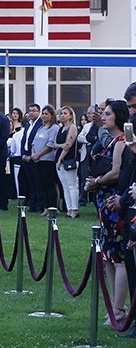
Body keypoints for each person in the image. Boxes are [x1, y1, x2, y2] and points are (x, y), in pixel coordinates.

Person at [84, 100, 129, 323]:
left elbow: (116, 171)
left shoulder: (121, 142)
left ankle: (119, 309)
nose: (103, 116)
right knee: (109, 258)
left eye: (108, 114)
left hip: (114, 206)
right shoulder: (112, 141)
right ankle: (114, 307)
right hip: (105, 206)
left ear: (118, 117)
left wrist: (97, 181)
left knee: (118, 258)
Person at [30, 105, 61, 216]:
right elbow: (33, 142)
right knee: (41, 184)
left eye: (46, 113)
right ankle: (46, 207)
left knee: (49, 185)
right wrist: (34, 154)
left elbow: (50, 144)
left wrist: (39, 155)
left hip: (47, 160)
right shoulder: (40, 128)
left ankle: (53, 207)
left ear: (52, 115)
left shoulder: (54, 128)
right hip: (37, 160)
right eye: (43, 113)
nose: (43, 115)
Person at [55, 106, 79, 218]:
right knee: (65, 186)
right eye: (61, 113)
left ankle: (75, 209)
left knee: (72, 185)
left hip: (68, 159)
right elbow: (55, 144)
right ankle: (69, 209)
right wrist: (61, 145)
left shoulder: (72, 127)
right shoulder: (60, 128)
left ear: (70, 115)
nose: (62, 115)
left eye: (65, 113)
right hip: (60, 159)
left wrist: (60, 158)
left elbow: (68, 145)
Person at [20, 103, 44, 213]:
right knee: (30, 183)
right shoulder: (28, 124)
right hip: (26, 157)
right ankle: (33, 205)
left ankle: (40, 205)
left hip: (35, 157)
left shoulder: (41, 124)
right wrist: (23, 154)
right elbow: (24, 140)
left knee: (38, 183)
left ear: (39, 112)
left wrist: (31, 155)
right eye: (30, 110)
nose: (31, 113)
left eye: (34, 110)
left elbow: (38, 142)